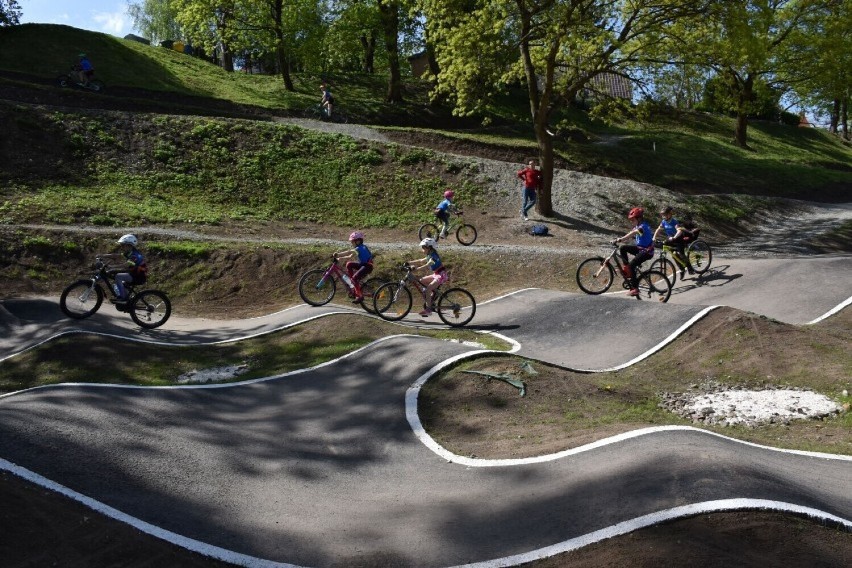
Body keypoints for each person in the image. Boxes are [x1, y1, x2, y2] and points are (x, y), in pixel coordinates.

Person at [614, 207, 655, 297]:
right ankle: (627, 270)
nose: (631, 221)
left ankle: (635, 289)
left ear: (639, 218)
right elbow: (630, 234)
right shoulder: (637, 226)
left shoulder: (643, 227)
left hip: (647, 251)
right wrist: (617, 240)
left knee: (632, 265)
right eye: (631, 220)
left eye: (633, 219)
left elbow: (634, 233)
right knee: (623, 248)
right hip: (640, 248)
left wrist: (620, 239)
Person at [408, 237, 448, 317]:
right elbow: (420, 261)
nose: (422, 250)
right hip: (436, 274)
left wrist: (416, 269)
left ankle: (429, 310)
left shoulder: (434, 256)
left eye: (424, 248)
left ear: (429, 247)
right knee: (421, 281)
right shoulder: (430, 255)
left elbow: (427, 265)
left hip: (441, 275)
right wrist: (408, 262)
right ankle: (432, 296)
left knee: (428, 289)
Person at [652, 206, 694, 278]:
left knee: (681, 254)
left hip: (679, 239)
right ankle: (682, 269)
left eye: (665, 215)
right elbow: (658, 229)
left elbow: (679, 230)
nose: (663, 216)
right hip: (670, 239)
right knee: (673, 255)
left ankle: (690, 268)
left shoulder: (674, 222)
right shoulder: (663, 222)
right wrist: (654, 237)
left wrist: (674, 237)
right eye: (662, 215)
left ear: (670, 214)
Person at [333, 231, 373, 302]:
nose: (352, 243)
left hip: (367, 266)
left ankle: (359, 296)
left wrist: (338, 254)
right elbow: (350, 256)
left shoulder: (358, 248)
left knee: (354, 278)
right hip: (363, 265)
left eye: (352, 242)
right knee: (349, 264)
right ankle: (353, 281)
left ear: (357, 241)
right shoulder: (362, 247)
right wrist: (340, 258)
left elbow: (349, 252)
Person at [110, 234, 147, 303]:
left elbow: (126, 265)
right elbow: (117, 255)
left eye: (123, 245)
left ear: (129, 245)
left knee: (118, 276)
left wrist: (112, 266)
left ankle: (123, 298)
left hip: (138, 277)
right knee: (117, 279)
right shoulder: (129, 252)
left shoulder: (135, 255)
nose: (121, 247)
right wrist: (102, 255)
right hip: (133, 274)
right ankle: (126, 297)